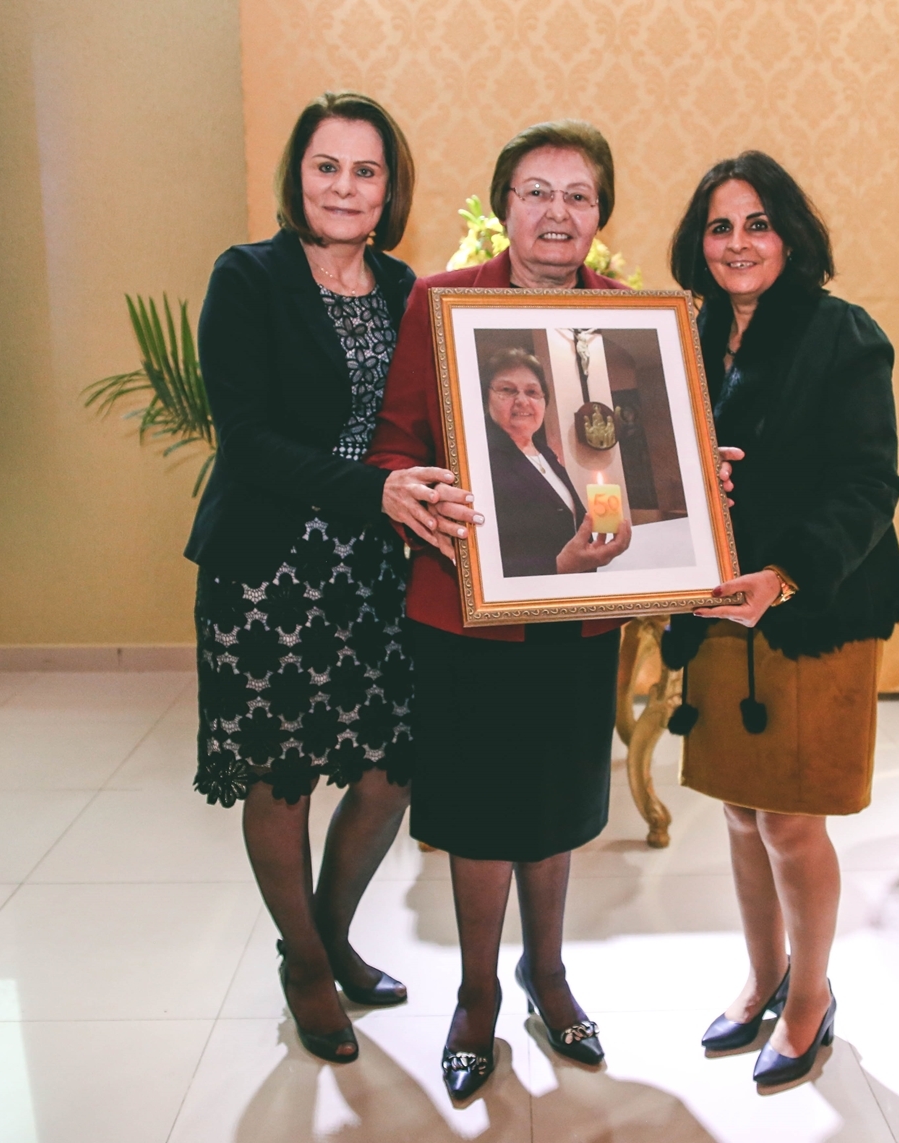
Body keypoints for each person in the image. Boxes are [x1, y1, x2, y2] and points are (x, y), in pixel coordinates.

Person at [368, 120, 693, 1101]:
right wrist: (412, 493)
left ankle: (546, 975)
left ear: (601, 215)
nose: (557, 212)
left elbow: (650, 461)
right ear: (503, 204)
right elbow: (395, 440)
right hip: (465, 608)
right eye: (537, 192)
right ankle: (475, 997)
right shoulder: (441, 302)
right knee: (477, 810)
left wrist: (690, 481)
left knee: (556, 805)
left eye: (578, 195)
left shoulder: (628, 321)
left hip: (581, 614)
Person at [186, 92, 449, 1064]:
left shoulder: (406, 288)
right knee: (283, 774)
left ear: (389, 188)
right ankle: (304, 964)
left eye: (365, 170)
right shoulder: (248, 277)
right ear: (298, 176)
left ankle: (328, 934)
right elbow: (247, 441)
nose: (344, 187)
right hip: (268, 568)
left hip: (373, 570)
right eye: (326, 166)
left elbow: (427, 424)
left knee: (392, 771)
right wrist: (375, 490)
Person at [662, 151, 899, 1088]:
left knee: (789, 821)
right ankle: (763, 973)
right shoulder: (683, 338)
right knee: (740, 809)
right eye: (720, 226)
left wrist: (784, 573)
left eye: (758, 224)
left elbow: (870, 483)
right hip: (720, 605)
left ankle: (810, 996)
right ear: (698, 242)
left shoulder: (843, 334)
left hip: (814, 603)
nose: (738, 243)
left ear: (791, 235)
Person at [480, 346, 629, 576]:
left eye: (532, 392)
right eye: (507, 390)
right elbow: (481, 558)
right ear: (486, 398)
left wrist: (592, 550)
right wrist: (558, 567)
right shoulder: (480, 460)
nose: (522, 400)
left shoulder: (546, 454)